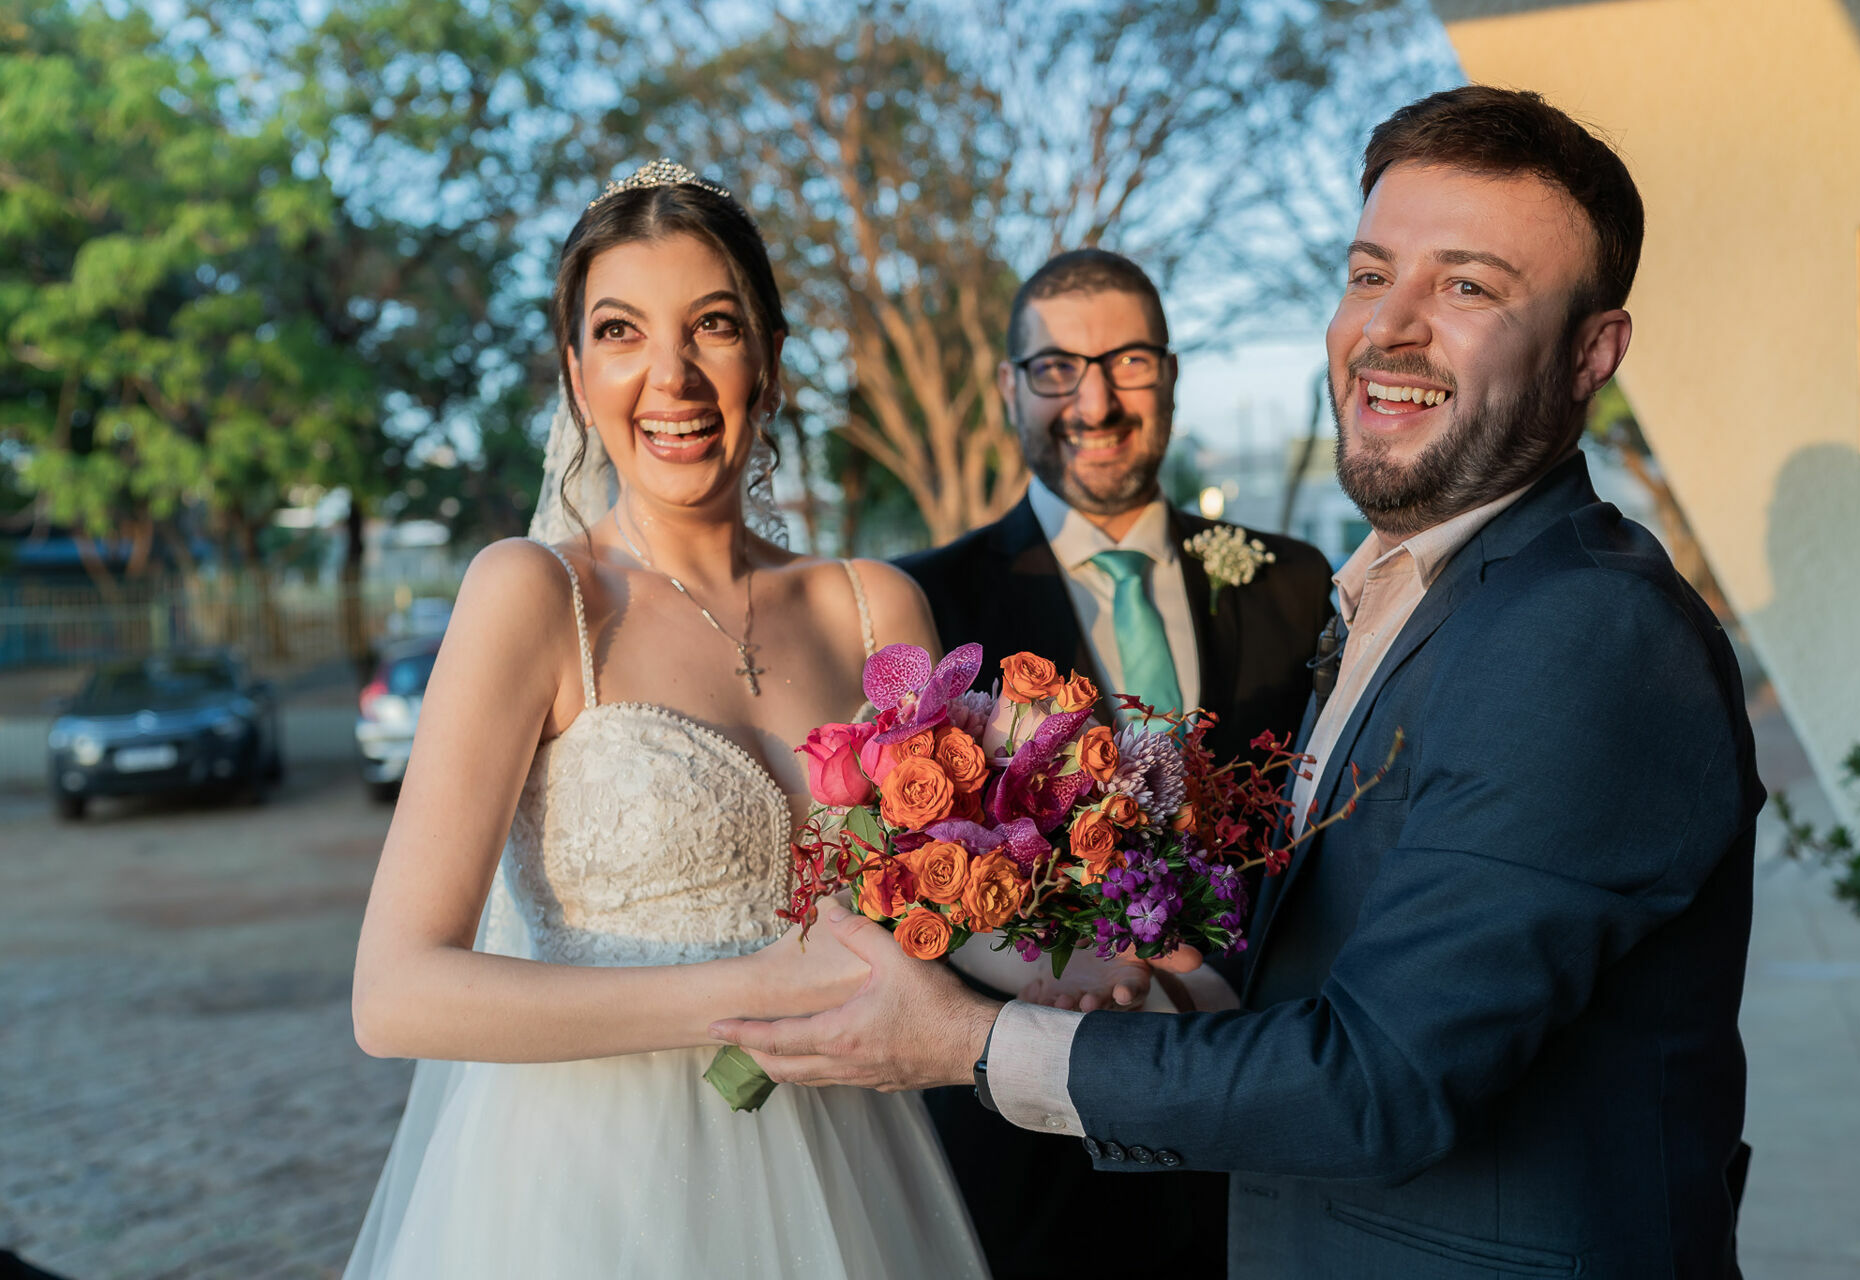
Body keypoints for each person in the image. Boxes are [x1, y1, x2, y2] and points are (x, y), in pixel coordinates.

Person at [713, 87, 1766, 1279]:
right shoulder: (1402, 591)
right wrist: (1179, 996)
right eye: (1371, 274)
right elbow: (1340, 955)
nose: (1393, 328)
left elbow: (1378, 1084)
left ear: (1592, 352)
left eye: (1467, 286)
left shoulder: (1587, 632)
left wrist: (969, 1039)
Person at [343, 160, 987, 1279]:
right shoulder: (538, 596)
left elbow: (958, 906)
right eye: (622, 330)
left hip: (846, 1167)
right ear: (576, 371)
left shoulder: (874, 606)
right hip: (584, 1189)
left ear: (772, 361)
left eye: (715, 326)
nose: (672, 376)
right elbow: (396, 991)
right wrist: (754, 992)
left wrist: (1101, 963)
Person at [895, 248, 1331, 1279]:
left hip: (1275, 1128)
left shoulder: (1293, 579)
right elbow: (910, 877)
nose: (1094, 400)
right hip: (1040, 1155)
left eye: (1128, 361)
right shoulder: (930, 604)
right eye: (1056, 368)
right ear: (1011, 388)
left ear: (1171, 375)